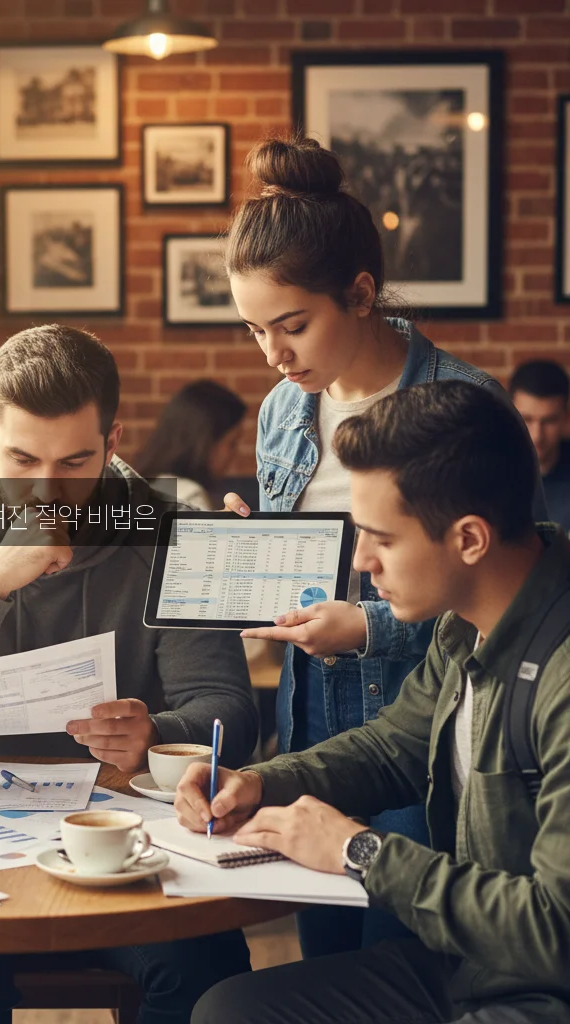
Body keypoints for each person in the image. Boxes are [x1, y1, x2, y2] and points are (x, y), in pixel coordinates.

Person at [0, 324, 258, 1024]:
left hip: (124, 833)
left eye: (76, 462)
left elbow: (229, 709)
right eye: (21, 458)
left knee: (202, 965)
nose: (48, 491)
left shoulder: (173, 526)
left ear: (113, 442)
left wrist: (156, 733)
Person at [218, 135, 545, 958]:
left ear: (360, 293)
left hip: (426, 716)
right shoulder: (283, 411)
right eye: (254, 330)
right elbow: (321, 566)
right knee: (325, 953)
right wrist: (259, 559)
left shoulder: (464, 406)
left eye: (290, 325)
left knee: (413, 950)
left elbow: (510, 589)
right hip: (312, 715)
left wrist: (366, 629)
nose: (273, 354)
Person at [177, 380, 570, 1024]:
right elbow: (392, 748)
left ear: (469, 539)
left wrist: (362, 851)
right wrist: (255, 782)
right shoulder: (465, 622)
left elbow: (555, 931)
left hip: (540, 991)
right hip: (466, 968)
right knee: (228, 1010)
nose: (361, 562)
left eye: (379, 539)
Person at [134, 379, 248, 510]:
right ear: (205, 442)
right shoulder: (189, 497)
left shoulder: (140, 488)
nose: (235, 453)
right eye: (232, 443)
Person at [509, 359, 570, 529]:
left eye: (549, 421)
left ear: (566, 418)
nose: (537, 435)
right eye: (527, 419)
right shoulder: (486, 470)